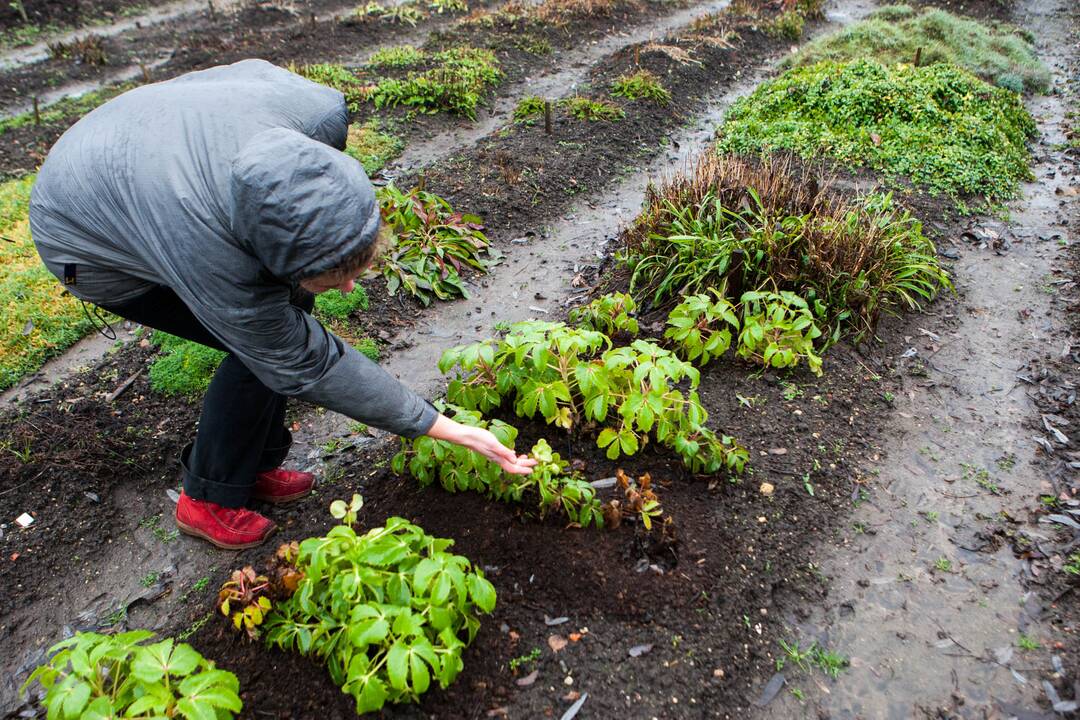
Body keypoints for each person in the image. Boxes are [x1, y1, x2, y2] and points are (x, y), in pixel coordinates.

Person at [29, 59, 535, 550]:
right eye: (335, 280)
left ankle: (254, 464)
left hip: (157, 138)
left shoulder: (317, 117)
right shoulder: (212, 253)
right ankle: (206, 498)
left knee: (286, 322)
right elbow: (297, 358)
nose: (349, 291)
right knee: (262, 349)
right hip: (83, 231)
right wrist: (439, 426)